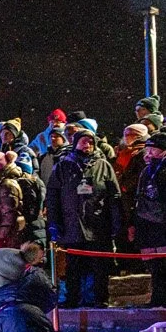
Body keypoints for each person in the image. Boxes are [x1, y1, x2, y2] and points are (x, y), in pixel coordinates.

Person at [44, 128, 122, 308]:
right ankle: (73, 298)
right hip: (72, 225)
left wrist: (116, 223)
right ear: (76, 143)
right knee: (74, 266)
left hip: (98, 225)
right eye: (83, 141)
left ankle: (100, 298)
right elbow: (53, 197)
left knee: (100, 266)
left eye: (90, 141)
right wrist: (55, 223)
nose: (87, 145)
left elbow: (114, 196)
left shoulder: (103, 165)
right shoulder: (63, 166)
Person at [132, 133, 166, 306]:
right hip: (147, 222)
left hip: (162, 224)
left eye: (153, 148)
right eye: (148, 148)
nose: (149, 152)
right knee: (154, 266)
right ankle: (157, 298)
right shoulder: (147, 169)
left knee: (163, 264)